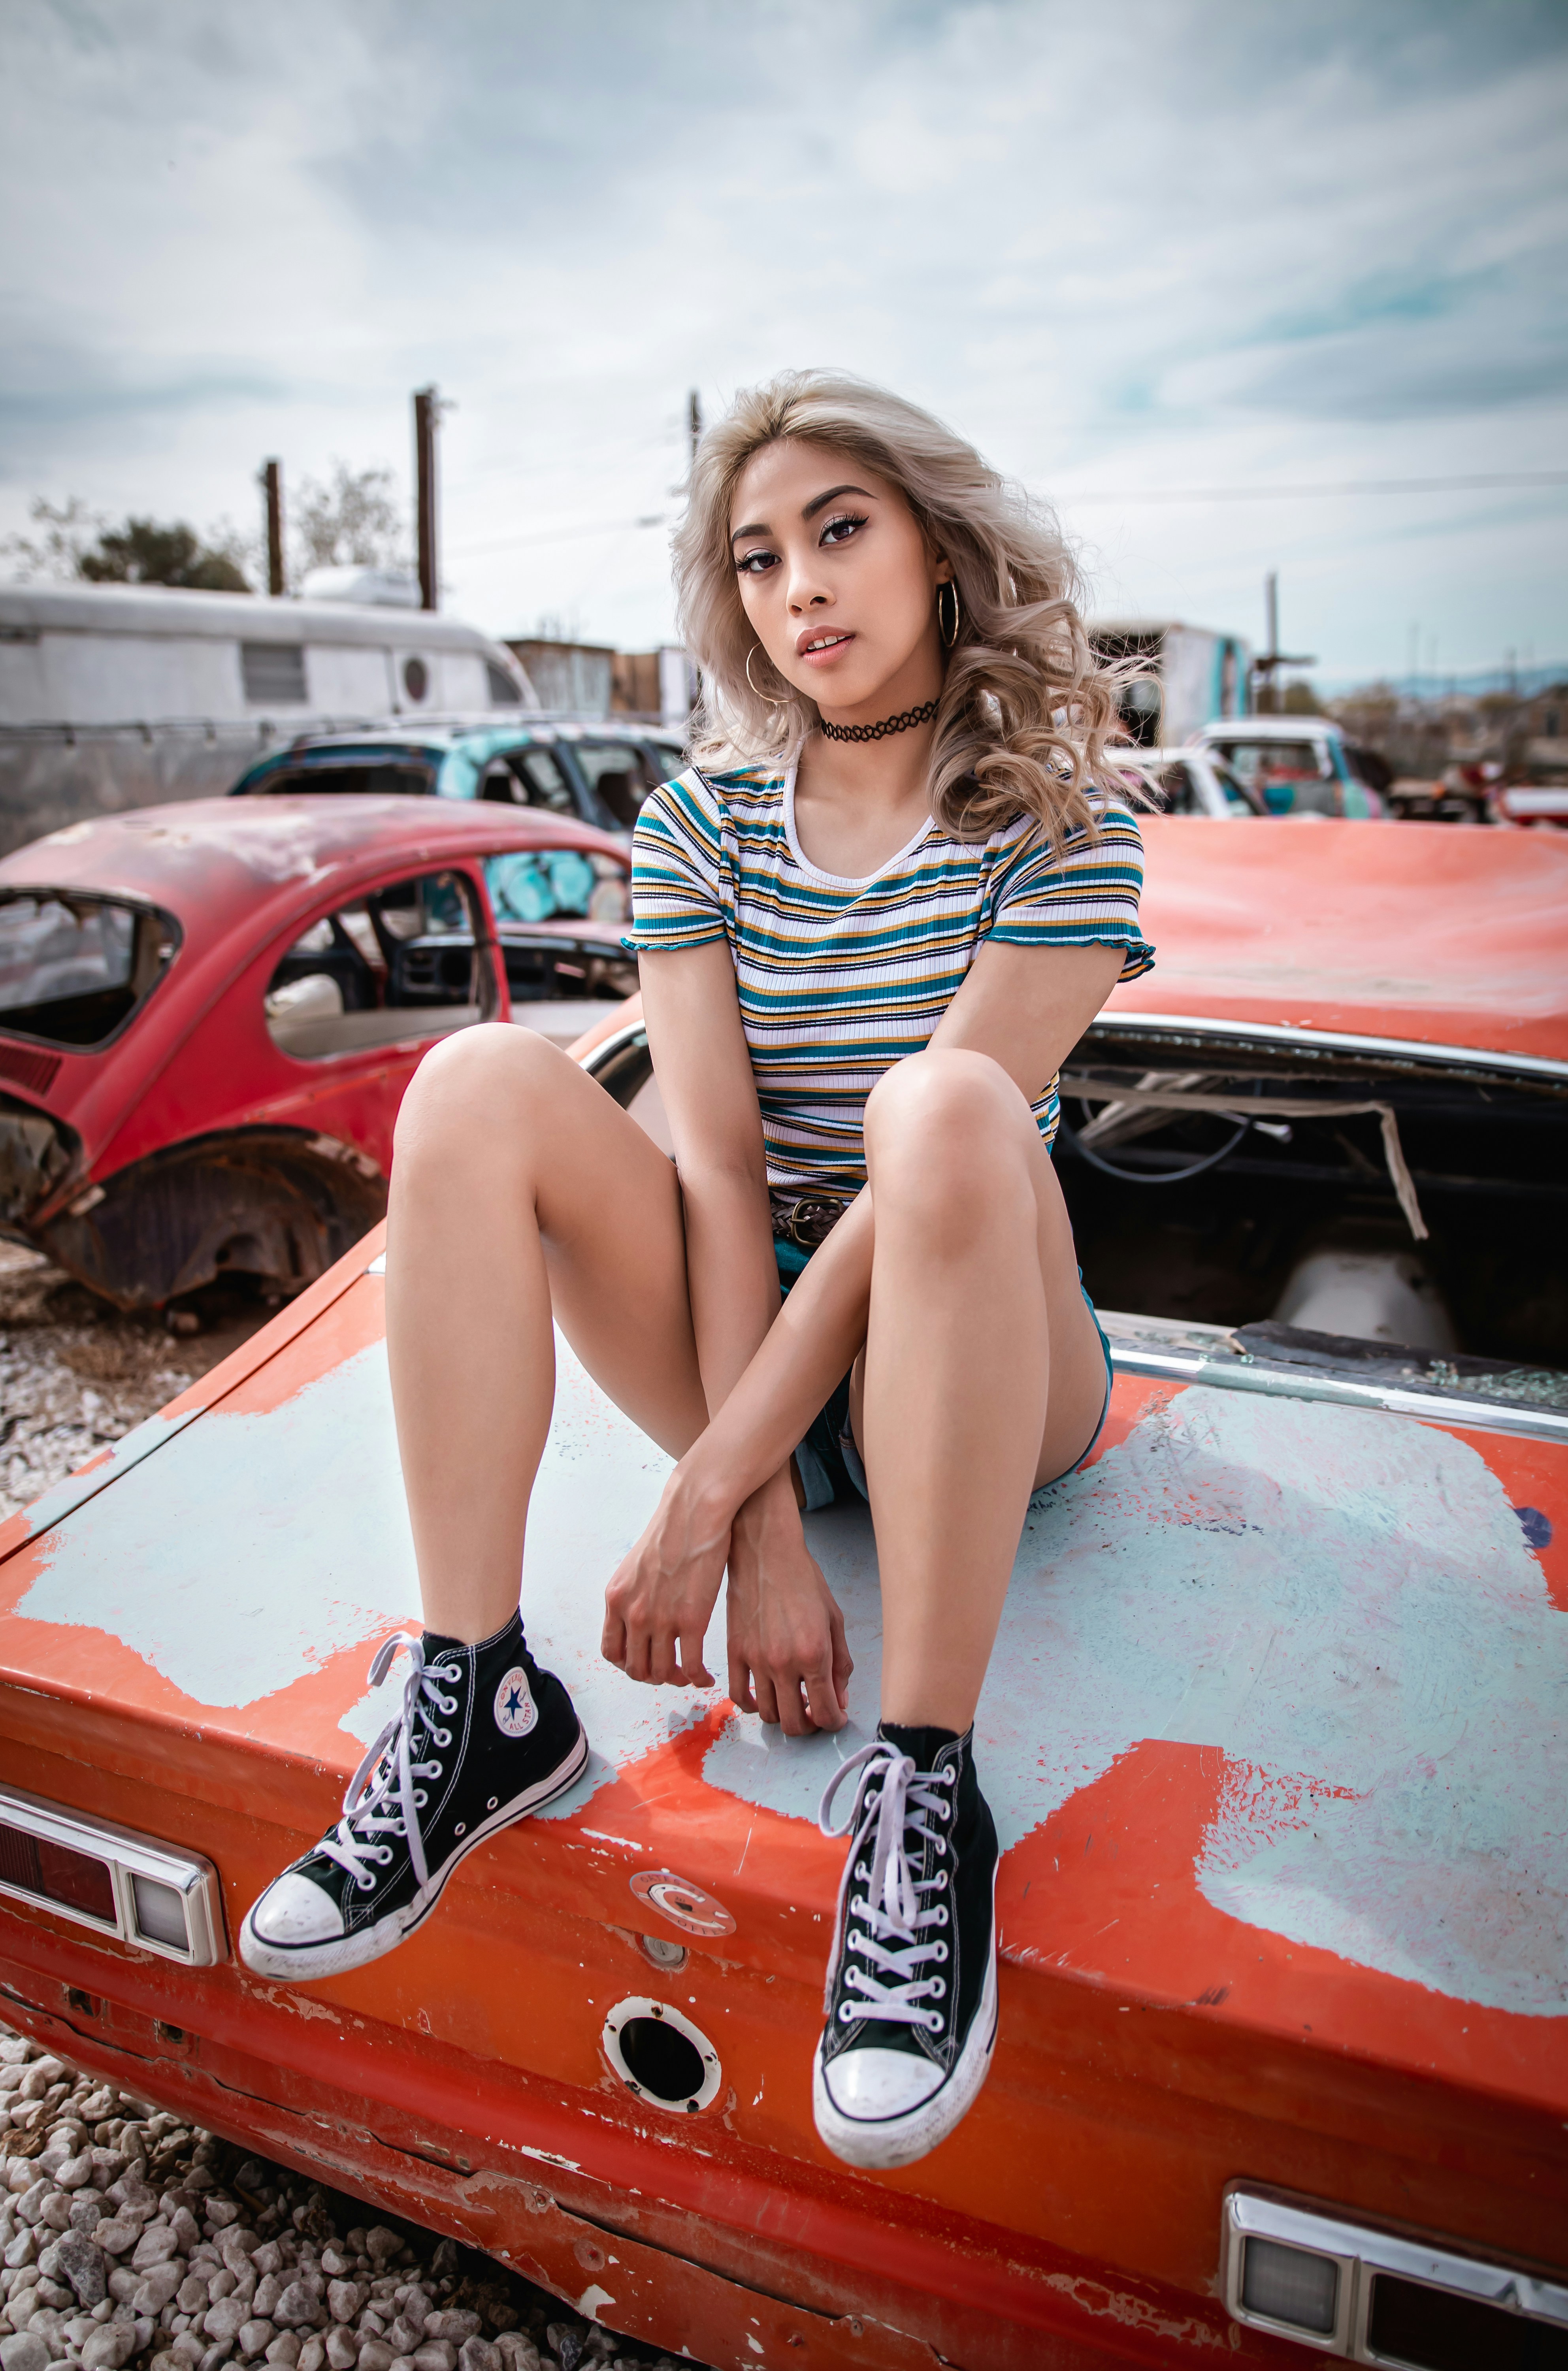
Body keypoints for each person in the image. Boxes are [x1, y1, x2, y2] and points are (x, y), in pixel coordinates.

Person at [240, 370, 1153, 2171]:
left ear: (939, 549)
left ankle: (923, 1794)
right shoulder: (700, 825)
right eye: (755, 557)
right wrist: (746, 1534)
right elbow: (719, 1170)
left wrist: (706, 1482)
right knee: (482, 1082)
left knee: (948, 1111)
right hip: (754, 1326)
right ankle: (478, 1693)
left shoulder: (1063, 820)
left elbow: (909, 1203)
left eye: (839, 530)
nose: (797, 587)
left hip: (973, 1353)